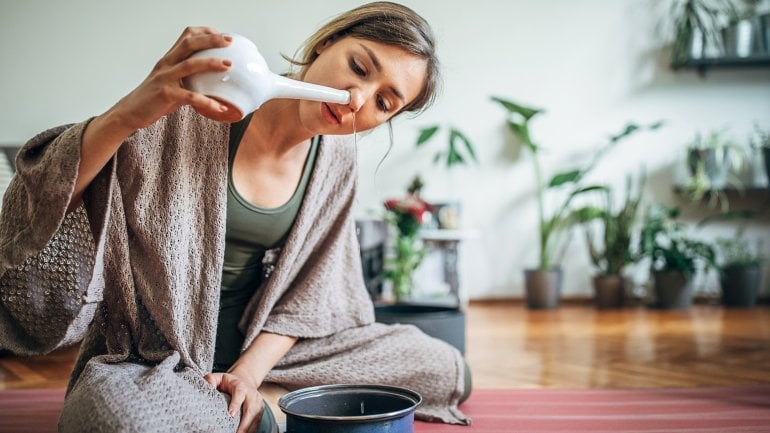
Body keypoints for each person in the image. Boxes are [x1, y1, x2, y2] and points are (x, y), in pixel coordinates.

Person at [0, 2, 471, 433]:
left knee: (444, 367)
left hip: (266, 350)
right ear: (326, 43)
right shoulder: (193, 109)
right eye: (359, 67)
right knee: (125, 424)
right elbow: (45, 200)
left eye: (384, 103)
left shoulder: (337, 159)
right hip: (153, 354)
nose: (356, 100)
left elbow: (313, 290)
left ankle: (252, 400)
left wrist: (248, 373)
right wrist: (128, 114)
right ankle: (267, 410)